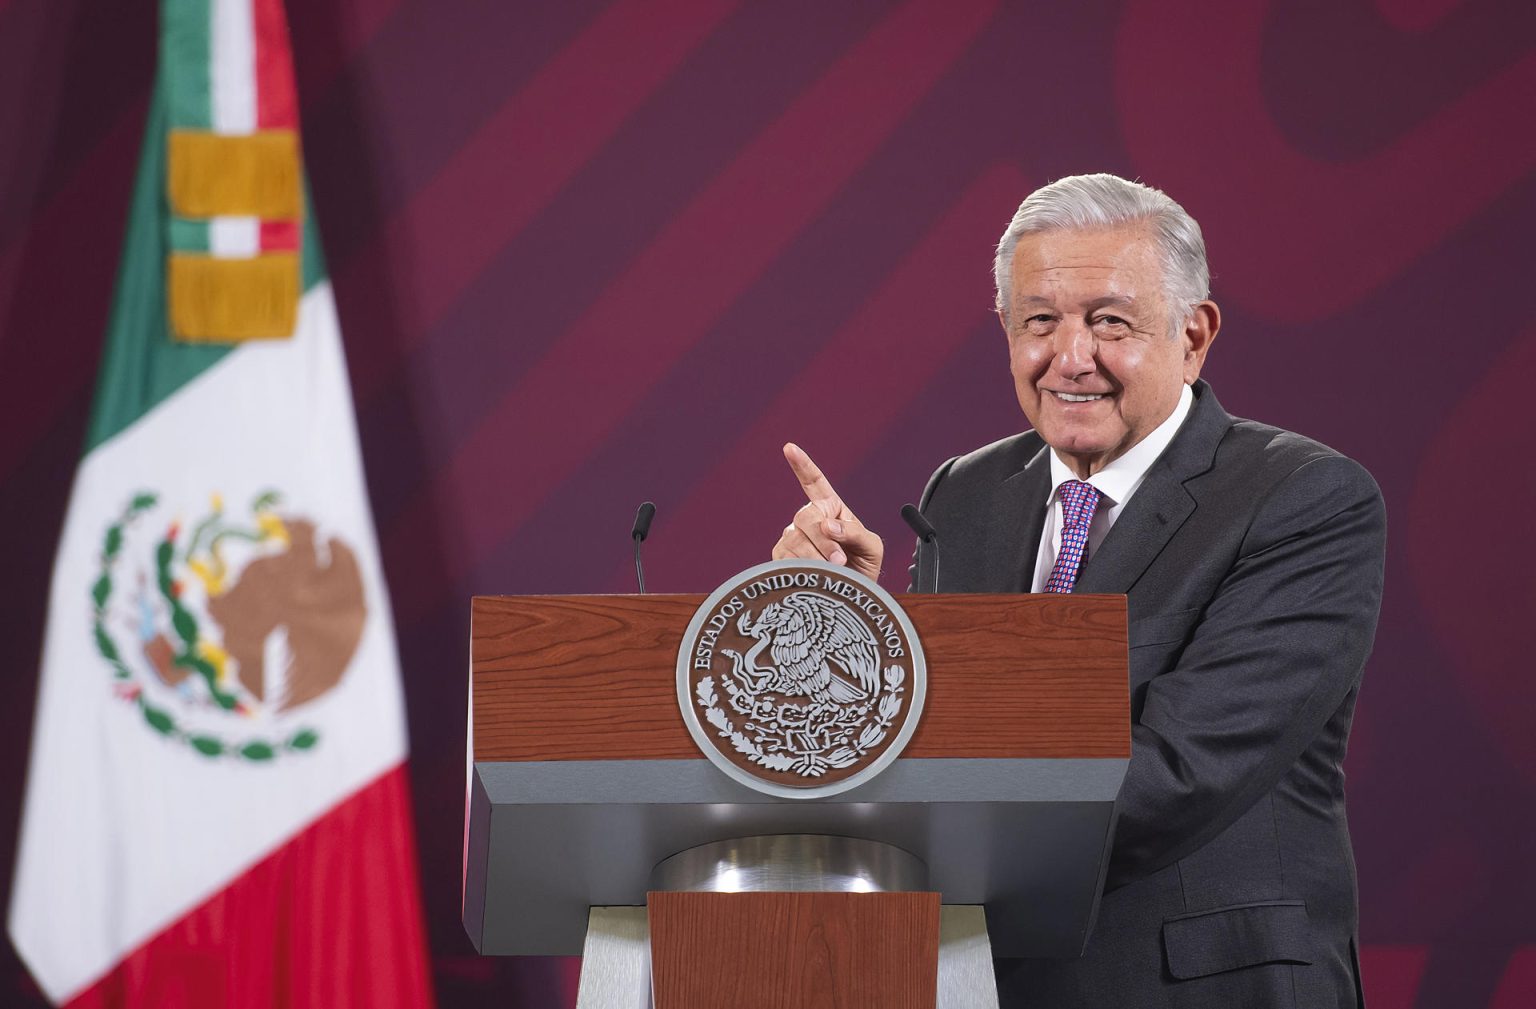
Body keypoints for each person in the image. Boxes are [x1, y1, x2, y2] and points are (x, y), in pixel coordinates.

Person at [771, 173, 1386, 1008]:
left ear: (1194, 335)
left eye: (1109, 321)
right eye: (1039, 322)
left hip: (1204, 986)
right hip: (989, 980)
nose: (1071, 357)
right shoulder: (966, 491)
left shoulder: (1303, 497)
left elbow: (1181, 771)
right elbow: (944, 719)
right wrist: (857, 627)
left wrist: (912, 827)